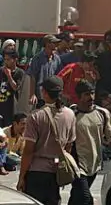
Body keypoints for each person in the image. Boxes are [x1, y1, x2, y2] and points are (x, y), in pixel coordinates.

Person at [18, 76, 75, 205]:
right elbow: (68, 147)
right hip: (55, 171)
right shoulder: (70, 115)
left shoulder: (36, 116)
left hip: (36, 172)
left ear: (44, 92)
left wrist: (22, 176)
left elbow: (28, 151)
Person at [71, 80, 111, 205]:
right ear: (79, 96)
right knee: (86, 198)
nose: (91, 97)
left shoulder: (102, 113)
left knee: (77, 198)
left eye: (92, 93)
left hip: (95, 164)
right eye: (87, 94)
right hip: (77, 165)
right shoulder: (71, 114)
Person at [27, 35, 63, 109]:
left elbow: (59, 76)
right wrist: (32, 94)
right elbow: (33, 76)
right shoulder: (37, 58)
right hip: (41, 95)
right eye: (54, 42)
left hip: (54, 94)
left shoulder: (57, 59)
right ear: (47, 44)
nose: (56, 45)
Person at [0, 48, 25, 124]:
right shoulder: (1, 70)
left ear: (15, 59)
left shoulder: (20, 73)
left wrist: (9, 76)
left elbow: (16, 88)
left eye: (8, 59)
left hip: (12, 108)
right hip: (1, 105)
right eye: (5, 59)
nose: (6, 62)